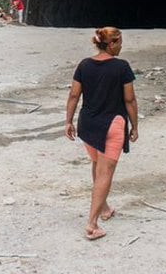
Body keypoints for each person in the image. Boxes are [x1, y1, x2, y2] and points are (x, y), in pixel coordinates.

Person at [65, 26, 139, 241]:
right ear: (112, 44)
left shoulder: (84, 65)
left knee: (98, 164)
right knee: (105, 172)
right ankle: (92, 224)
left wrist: (68, 121)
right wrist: (134, 125)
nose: (122, 45)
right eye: (120, 41)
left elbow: (73, 95)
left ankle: (104, 208)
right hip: (112, 124)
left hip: (88, 124)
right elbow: (129, 100)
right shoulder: (121, 67)